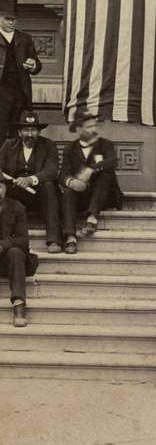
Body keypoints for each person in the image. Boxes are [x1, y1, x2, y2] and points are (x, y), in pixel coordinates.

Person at [58, 112, 123, 254]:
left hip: (104, 196)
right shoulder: (70, 149)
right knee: (68, 191)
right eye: (89, 127)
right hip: (82, 195)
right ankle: (70, 237)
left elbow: (113, 162)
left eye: (95, 125)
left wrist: (90, 170)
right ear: (78, 129)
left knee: (105, 172)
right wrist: (71, 182)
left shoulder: (105, 144)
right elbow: (63, 174)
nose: (94, 129)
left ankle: (92, 218)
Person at [0, 111, 61, 253]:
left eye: (33, 130)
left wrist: (30, 180)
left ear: (39, 132)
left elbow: (51, 171)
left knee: (49, 187)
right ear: (20, 132)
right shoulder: (9, 145)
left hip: (38, 193)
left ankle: (54, 240)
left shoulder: (49, 145)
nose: (29, 134)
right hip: (14, 192)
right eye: (26, 130)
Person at [0, 0, 42, 140]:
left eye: (14, 19)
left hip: (20, 92)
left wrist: (33, 65)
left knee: (18, 129)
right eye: (7, 19)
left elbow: (37, 66)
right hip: (1, 91)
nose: (11, 22)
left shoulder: (25, 39)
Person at [0, 182, 31, 327]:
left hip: (7, 260)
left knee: (16, 252)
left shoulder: (17, 207)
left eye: (0, 187)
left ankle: (19, 307)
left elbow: (23, 240)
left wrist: (3, 245)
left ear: (5, 188)